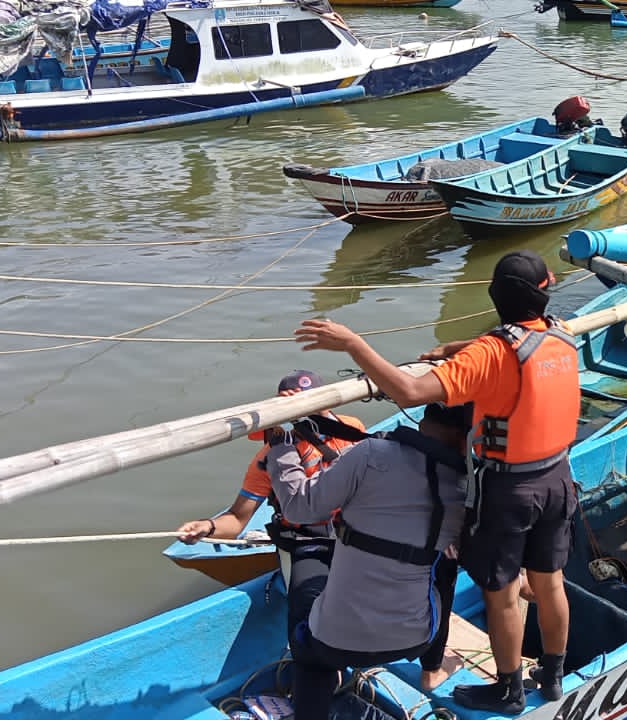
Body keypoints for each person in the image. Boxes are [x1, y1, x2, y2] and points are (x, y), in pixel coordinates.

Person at [294, 249, 578, 715]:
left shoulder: (492, 352)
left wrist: (353, 344)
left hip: (510, 491)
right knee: (550, 583)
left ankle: (507, 689)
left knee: (503, 591)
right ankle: (552, 675)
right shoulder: (561, 337)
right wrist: (456, 351)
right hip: (557, 478)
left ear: (494, 296)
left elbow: (408, 391)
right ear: (546, 294)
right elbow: (515, 344)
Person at [264, 401, 472, 720]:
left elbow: (298, 508)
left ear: (421, 421)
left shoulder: (371, 454)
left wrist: (281, 446)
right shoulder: (470, 485)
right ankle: (433, 666)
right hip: (414, 639)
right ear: (466, 437)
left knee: (307, 617)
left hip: (335, 642)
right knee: (444, 564)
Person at [175, 371, 365, 645]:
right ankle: (315, 665)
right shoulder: (269, 458)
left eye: (313, 402)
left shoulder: (350, 428)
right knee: (306, 611)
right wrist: (207, 527)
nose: (306, 411)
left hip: (356, 532)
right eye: (295, 406)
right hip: (307, 542)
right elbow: (237, 520)